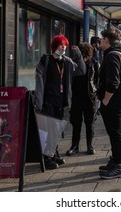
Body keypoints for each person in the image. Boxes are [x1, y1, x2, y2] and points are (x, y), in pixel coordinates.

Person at [34, 35, 86, 170]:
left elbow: (82, 70)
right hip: (48, 101)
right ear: (54, 46)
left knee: (56, 130)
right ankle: (47, 158)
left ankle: (53, 154)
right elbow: (39, 82)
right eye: (61, 45)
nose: (63, 47)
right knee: (50, 129)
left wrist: (79, 55)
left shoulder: (67, 62)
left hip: (61, 102)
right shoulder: (46, 60)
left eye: (65, 45)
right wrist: (38, 103)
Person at [97, 28, 121, 179]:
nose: (100, 42)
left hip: (115, 102)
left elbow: (113, 83)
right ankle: (115, 161)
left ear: (106, 40)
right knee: (116, 133)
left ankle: (118, 167)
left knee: (116, 134)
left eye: (101, 39)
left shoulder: (112, 57)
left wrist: (105, 100)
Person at [66, 42, 99, 156]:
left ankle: (90, 145)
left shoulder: (94, 63)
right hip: (76, 97)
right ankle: (75, 146)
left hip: (90, 97)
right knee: (76, 123)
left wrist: (97, 94)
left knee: (90, 123)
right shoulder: (74, 63)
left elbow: (97, 80)